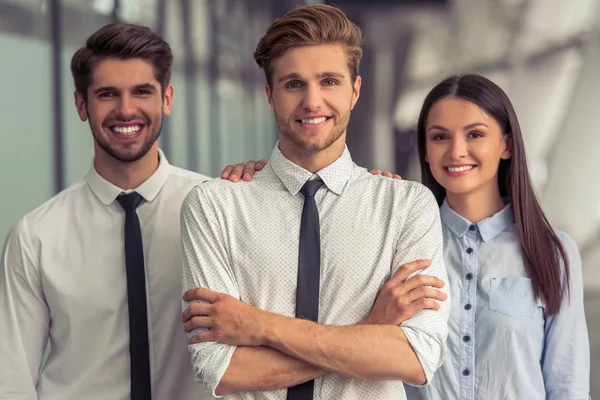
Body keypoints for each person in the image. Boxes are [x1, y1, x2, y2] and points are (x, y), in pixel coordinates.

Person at [179, 4, 451, 400]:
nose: (312, 101)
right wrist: (371, 331)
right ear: (269, 94)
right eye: (293, 84)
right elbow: (221, 370)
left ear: (355, 91)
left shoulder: (406, 206)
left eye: (329, 81)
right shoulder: (215, 206)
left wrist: (259, 326)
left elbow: (417, 357)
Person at [0, 23, 264, 400]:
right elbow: (10, 380)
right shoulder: (36, 236)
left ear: (167, 100)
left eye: (142, 92)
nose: (126, 110)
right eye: (108, 94)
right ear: (81, 105)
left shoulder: (219, 209)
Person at [400, 74, 589, 400]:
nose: (456, 151)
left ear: (506, 144)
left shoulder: (553, 251)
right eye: (440, 136)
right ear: (426, 151)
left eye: (474, 134)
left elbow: (567, 388)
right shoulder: (401, 245)